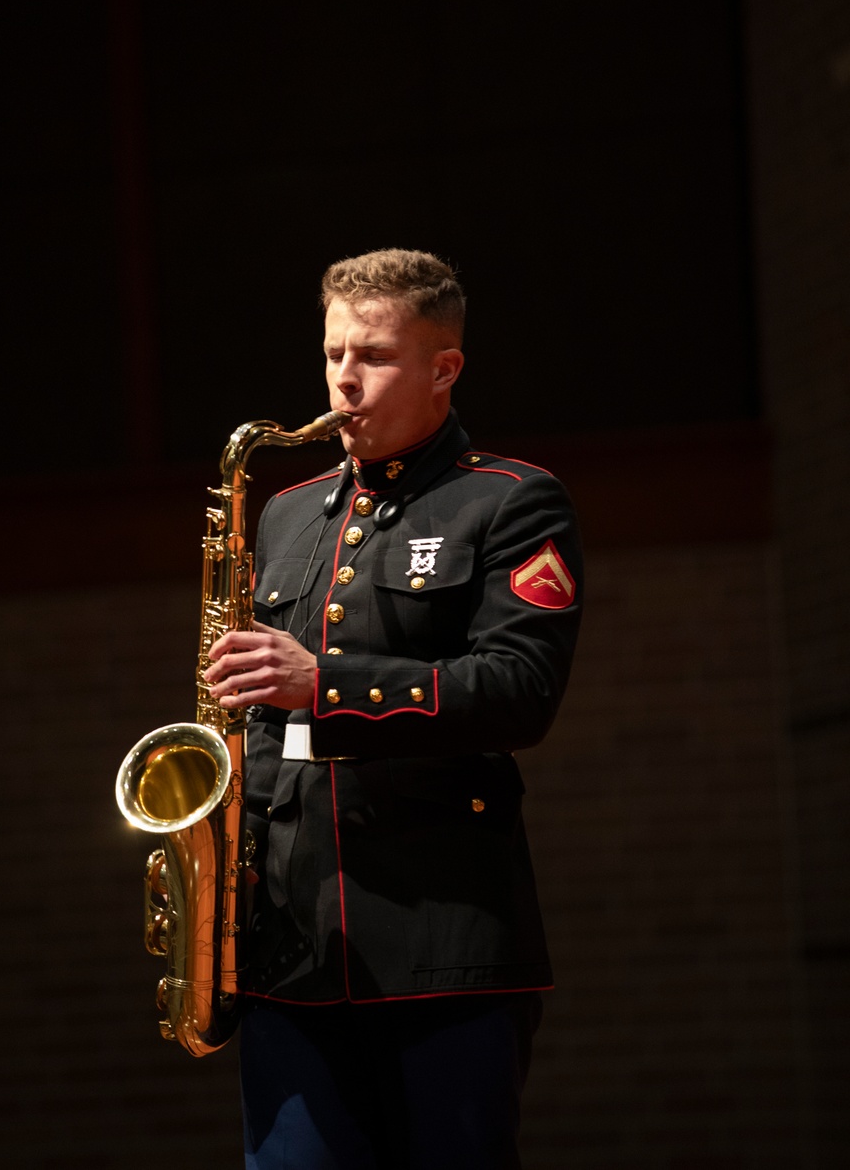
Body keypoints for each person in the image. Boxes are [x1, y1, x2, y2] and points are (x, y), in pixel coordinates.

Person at [203, 249, 582, 1169]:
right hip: (290, 951)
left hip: (439, 946)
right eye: (333, 352)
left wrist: (323, 684)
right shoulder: (285, 513)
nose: (342, 378)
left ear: (444, 367)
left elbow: (518, 692)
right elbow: (262, 718)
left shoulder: (509, 503)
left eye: (371, 355)